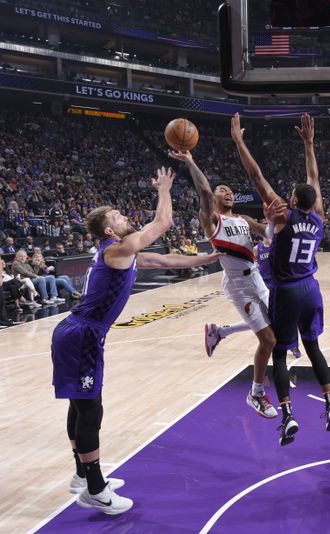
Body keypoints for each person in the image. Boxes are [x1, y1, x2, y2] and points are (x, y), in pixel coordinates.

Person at [50, 167, 222, 515]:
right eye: (118, 215)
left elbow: (160, 258)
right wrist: (164, 189)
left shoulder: (122, 253)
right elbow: (162, 225)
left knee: (80, 404)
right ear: (109, 230)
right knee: (89, 408)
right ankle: (95, 489)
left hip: (77, 332)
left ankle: (82, 477)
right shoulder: (116, 248)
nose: (125, 216)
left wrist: (203, 259)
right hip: (82, 334)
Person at [230, 112, 330, 446]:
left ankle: (288, 415)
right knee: (314, 346)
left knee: (278, 352)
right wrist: (309, 144)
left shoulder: (281, 214)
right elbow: (314, 177)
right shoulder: (318, 217)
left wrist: (239, 142)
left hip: (287, 291)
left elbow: (256, 176)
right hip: (312, 289)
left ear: (292, 200)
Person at [168, 149, 283, 421]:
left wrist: (272, 218)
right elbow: (205, 193)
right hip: (238, 285)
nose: (228, 192)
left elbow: (268, 235)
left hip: (256, 278)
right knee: (268, 340)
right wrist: (190, 161)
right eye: (223, 190)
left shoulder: (242, 219)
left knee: (277, 328)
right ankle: (255, 393)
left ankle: (220, 332)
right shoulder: (213, 220)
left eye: (230, 190)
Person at [204, 235, 303, 360]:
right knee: (270, 320)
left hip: (275, 286)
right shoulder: (258, 248)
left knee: (274, 319)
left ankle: (220, 331)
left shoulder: (279, 246)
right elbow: (242, 258)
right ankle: (220, 332)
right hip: (262, 286)